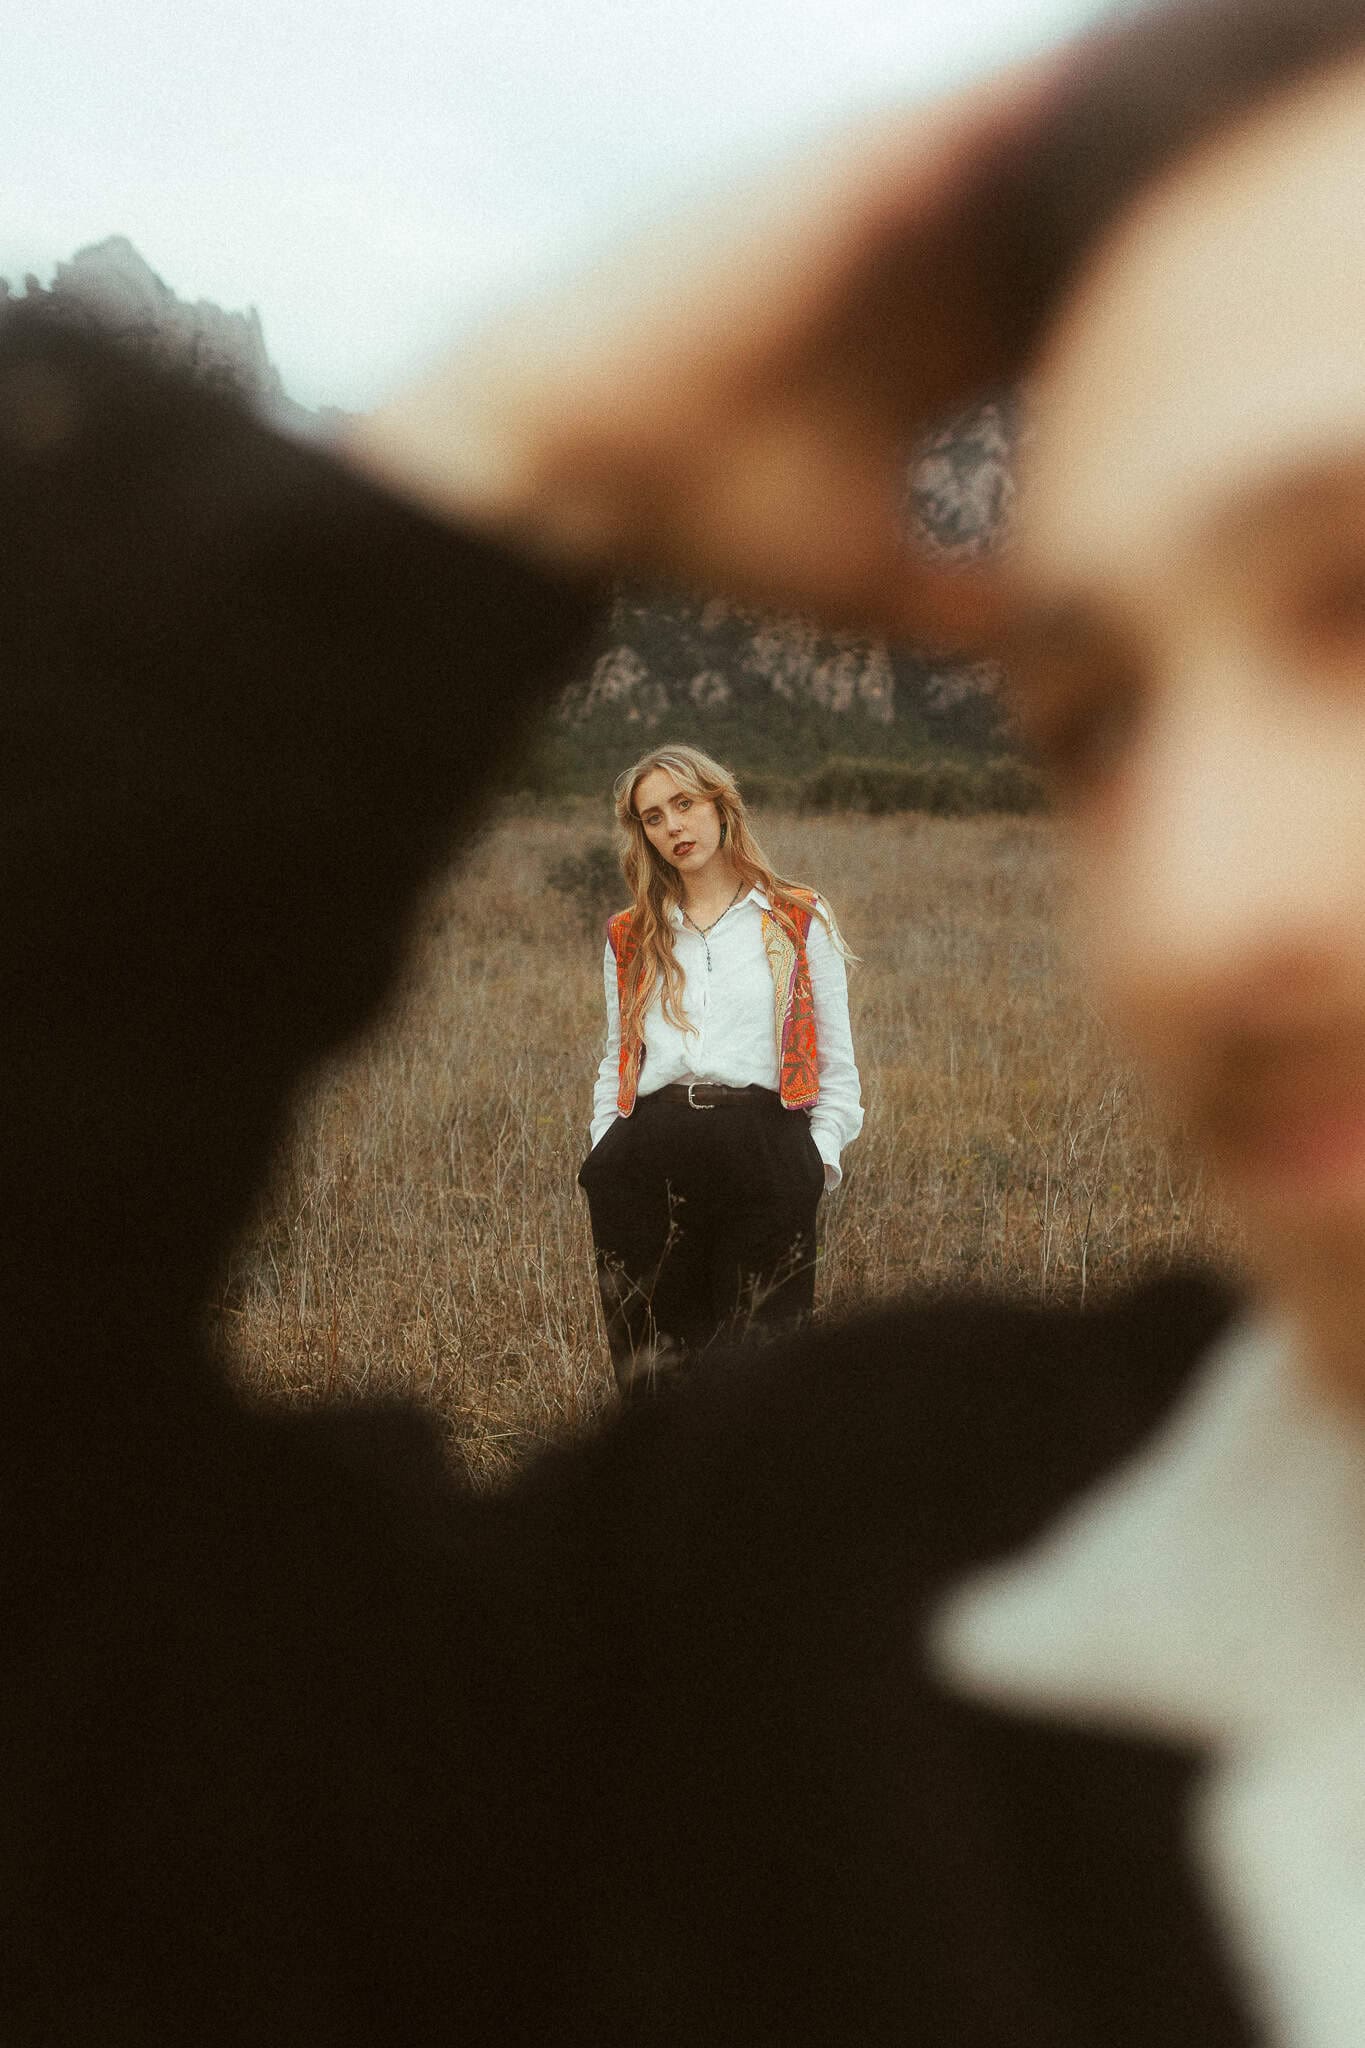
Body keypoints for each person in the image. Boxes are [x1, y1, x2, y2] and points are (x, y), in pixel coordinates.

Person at [7, 0, 1365, 2040]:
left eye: (1351, 602)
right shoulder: (822, 1645)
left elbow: (824, 1048)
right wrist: (502, 457)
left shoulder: (802, 923)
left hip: (773, 1147)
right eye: (1088, 725)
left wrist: (809, 1143)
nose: (1194, 909)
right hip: (656, 1144)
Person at [579, 742, 861, 1387]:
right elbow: (616, 1057)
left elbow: (837, 1066)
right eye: (653, 817)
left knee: (763, 1376)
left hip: (765, 1150)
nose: (673, 826)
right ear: (643, 835)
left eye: (684, 804)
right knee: (654, 1373)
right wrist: (605, 1151)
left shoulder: (795, 917)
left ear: (720, 804)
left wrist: (815, 1165)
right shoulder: (631, 935)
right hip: (647, 1158)